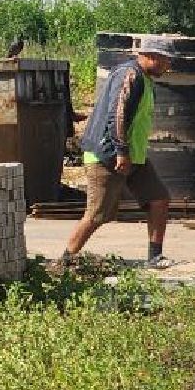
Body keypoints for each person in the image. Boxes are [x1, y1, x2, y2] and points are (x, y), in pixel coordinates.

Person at [61, 35, 178, 268]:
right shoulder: (130, 75)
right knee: (97, 215)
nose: (168, 66)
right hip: (109, 156)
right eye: (166, 61)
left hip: (133, 155)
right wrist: (121, 152)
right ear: (152, 57)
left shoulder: (144, 78)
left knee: (158, 199)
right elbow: (118, 114)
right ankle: (64, 261)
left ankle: (155, 257)